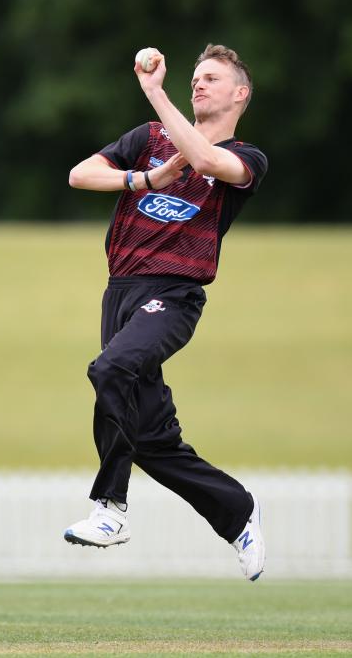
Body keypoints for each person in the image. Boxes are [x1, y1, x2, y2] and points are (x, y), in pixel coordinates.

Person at [64, 44, 268, 581]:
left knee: (109, 368)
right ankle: (238, 512)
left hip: (174, 295)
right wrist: (145, 180)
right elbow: (80, 176)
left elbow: (204, 161)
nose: (198, 84)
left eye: (212, 79)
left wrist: (156, 91)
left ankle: (109, 509)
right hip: (121, 291)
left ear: (239, 94)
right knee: (151, 441)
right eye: (195, 78)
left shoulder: (248, 158)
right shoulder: (148, 140)